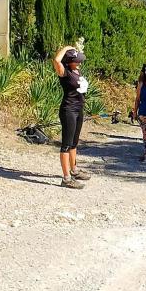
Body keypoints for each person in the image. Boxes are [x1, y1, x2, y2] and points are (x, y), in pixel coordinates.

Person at [52, 46, 91, 189]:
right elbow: (56, 60)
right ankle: (66, 178)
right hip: (69, 110)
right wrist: (66, 48)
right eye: (76, 60)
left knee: (74, 143)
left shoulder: (76, 70)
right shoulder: (65, 72)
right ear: (69, 62)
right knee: (66, 144)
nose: (79, 62)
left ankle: (74, 170)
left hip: (78, 109)